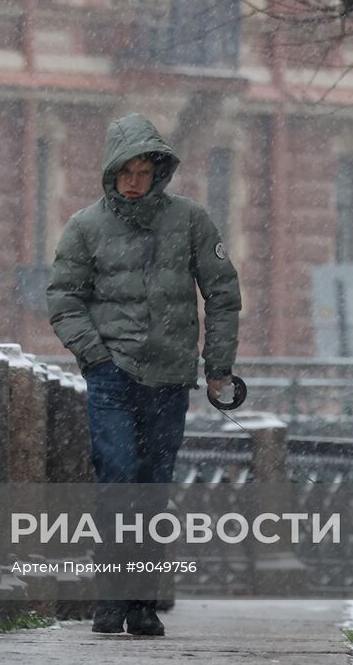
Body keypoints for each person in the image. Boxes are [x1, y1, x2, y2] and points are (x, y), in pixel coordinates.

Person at [46, 113, 241, 635]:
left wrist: (218, 366)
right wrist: (95, 356)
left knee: (153, 487)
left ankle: (142, 603)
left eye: (143, 171)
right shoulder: (85, 227)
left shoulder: (191, 221)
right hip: (111, 374)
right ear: (111, 173)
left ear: (158, 172)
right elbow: (64, 298)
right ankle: (111, 598)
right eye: (125, 171)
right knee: (117, 479)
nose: (134, 181)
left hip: (171, 377)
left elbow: (222, 293)